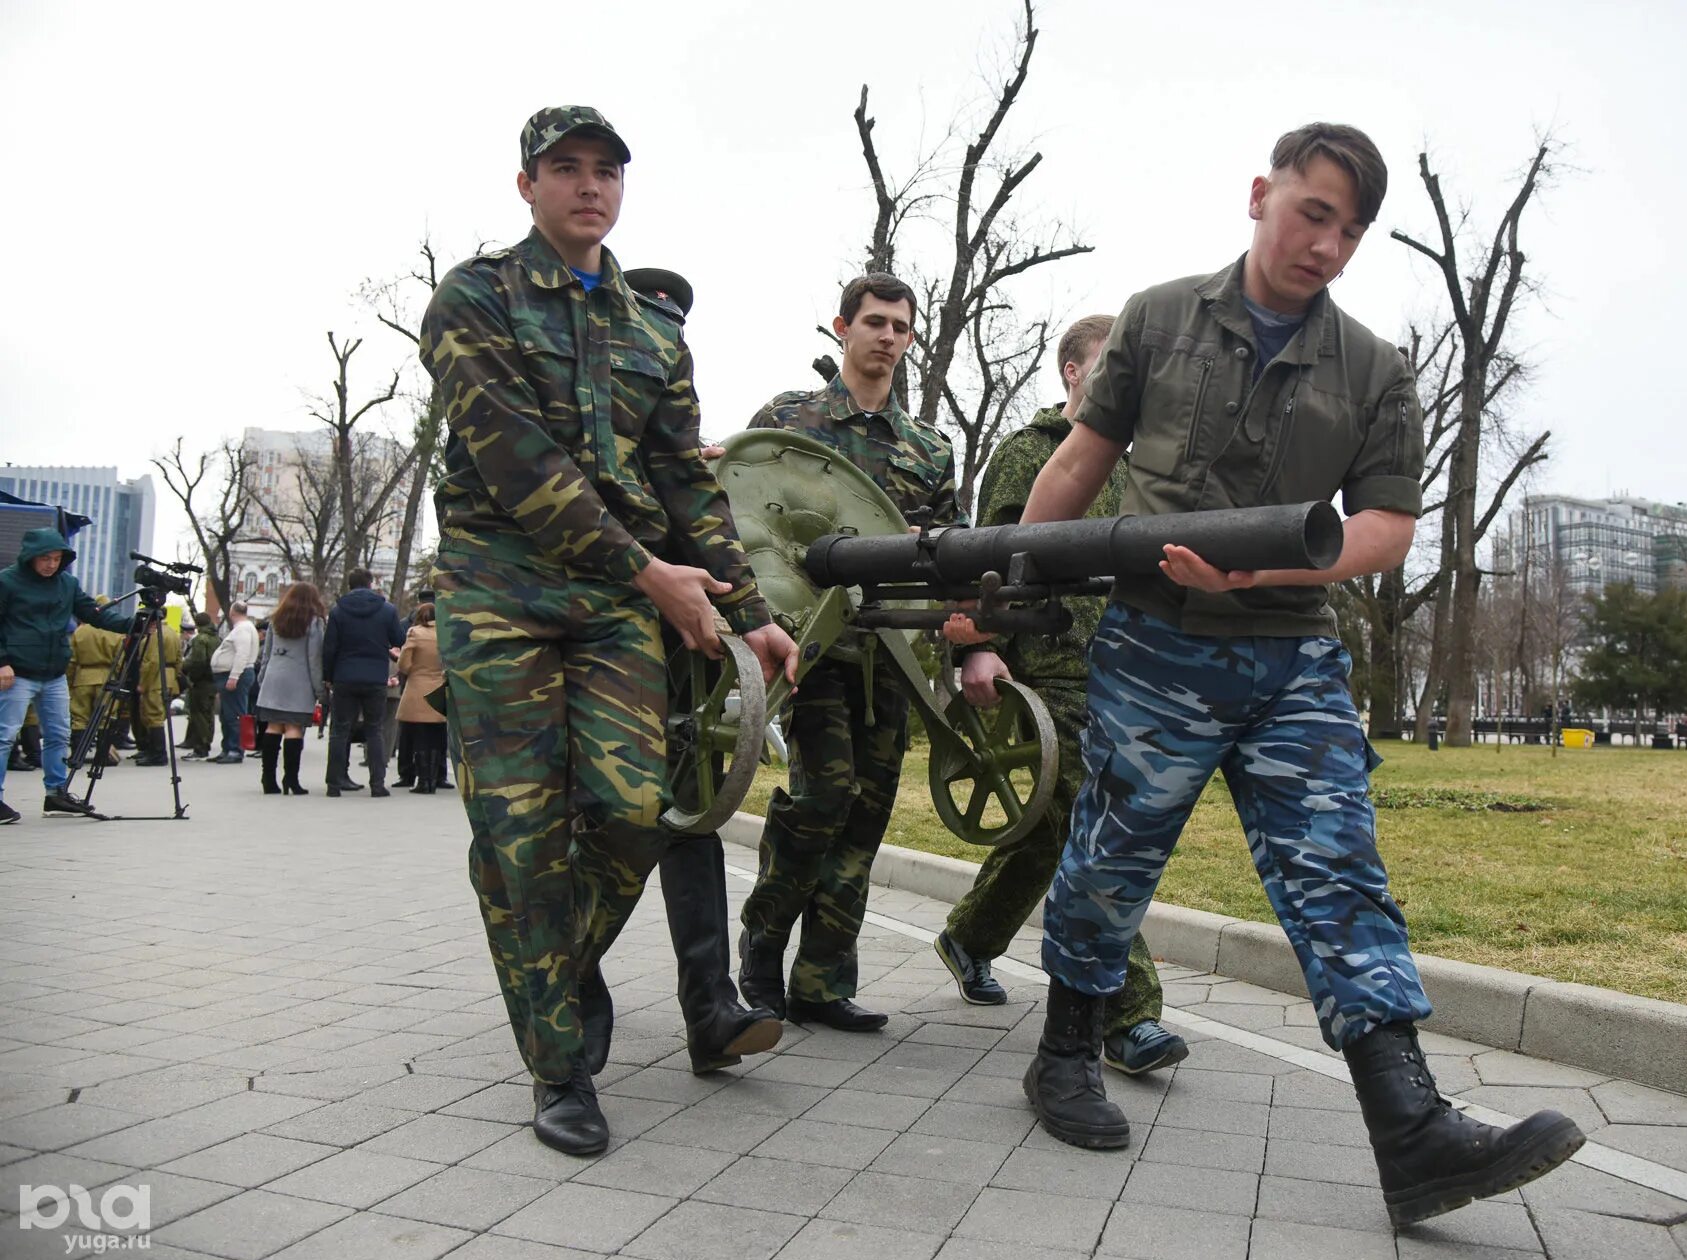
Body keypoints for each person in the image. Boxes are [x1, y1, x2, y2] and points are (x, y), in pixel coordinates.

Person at [1014, 124, 1584, 1225]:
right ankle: (1064, 1051)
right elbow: (1082, 459)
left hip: (1291, 654)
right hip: (1153, 642)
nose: (1326, 243)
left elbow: (1385, 528)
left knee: (1339, 870)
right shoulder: (1157, 317)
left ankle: (1410, 1128)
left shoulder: (1373, 367)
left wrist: (1258, 571)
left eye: (1351, 229)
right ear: (1259, 194)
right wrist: (1004, 580)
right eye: (1311, 212)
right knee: (1111, 856)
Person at [419, 105, 798, 1155]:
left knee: (638, 810)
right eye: (566, 168)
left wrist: (751, 613)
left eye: (606, 172)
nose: (589, 186)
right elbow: (514, 461)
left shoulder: (649, 331)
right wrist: (655, 575)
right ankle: (560, 1066)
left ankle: (546, 970)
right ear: (527, 184)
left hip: (617, 605)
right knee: (521, 836)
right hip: (500, 588)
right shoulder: (474, 298)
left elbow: (685, 477)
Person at [937, 316, 1188, 1075]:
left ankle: (971, 936)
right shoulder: (1031, 453)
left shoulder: (1140, 463)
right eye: (1112, 361)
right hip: (1048, 669)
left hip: (1124, 666)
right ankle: (1128, 1013)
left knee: (1049, 836)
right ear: (1074, 373)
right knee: (1098, 826)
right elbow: (993, 559)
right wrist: (978, 647)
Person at [737, 273, 963, 1033]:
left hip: (888, 648)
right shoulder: (789, 421)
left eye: (901, 326)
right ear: (842, 328)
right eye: (874, 322)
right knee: (819, 798)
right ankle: (760, 958)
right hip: (810, 644)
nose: (889, 337)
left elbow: (950, 551)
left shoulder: (927, 448)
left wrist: (966, 632)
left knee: (866, 812)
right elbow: (743, 511)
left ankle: (823, 979)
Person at [0, 528, 134, 823]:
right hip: (17, 672)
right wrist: (2, 662)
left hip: (54, 673)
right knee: (5, 736)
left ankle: (56, 793)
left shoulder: (68, 584)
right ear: (31, 557)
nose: (51, 564)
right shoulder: (6, 581)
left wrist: (131, 624)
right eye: (45, 558)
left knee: (59, 734)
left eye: (57, 558)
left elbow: (94, 613)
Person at [321, 569, 402, 797]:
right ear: (370, 583)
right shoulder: (387, 610)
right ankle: (377, 784)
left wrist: (328, 676)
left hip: (344, 676)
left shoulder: (338, 611)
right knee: (374, 730)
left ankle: (334, 784)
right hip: (375, 677)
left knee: (339, 730)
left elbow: (329, 647)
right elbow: (398, 639)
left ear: (349, 584)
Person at [254, 582, 326, 795]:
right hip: (299, 680)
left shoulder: (275, 619)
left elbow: (266, 655)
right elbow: (314, 658)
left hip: (273, 679)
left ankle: (268, 779)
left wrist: (262, 679)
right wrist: (319, 689)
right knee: (294, 729)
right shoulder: (314, 623)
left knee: (273, 727)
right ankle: (291, 780)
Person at [394, 603, 446, 794]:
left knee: (420, 735)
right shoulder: (446, 633)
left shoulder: (415, 633)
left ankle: (423, 781)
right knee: (436, 735)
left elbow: (404, 664)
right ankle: (434, 779)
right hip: (440, 686)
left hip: (418, 685)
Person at [66, 609, 123, 768]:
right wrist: (118, 679)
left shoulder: (80, 631)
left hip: (83, 677)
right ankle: (103, 756)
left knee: (80, 718)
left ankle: (78, 755)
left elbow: (72, 660)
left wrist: (70, 681)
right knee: (105, 718)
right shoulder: (115, 631)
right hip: (107, 677)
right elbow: (121, 659)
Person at [132, 610, 182, 767]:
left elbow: (151, 662)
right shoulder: (173, 633)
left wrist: (143, 683)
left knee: (153, 715)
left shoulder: (155, 635)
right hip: (168, 676)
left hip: (156, 678)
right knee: (157, 715)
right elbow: (179, 659)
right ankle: (154, 751)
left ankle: (157, 753)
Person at [210, 601, 258, 764]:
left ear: (232, 613)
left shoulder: (243, 628)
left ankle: (235, 749)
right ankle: (228, 747)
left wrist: (234, 676)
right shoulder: (244, 628)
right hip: (233, 674)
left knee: (235, 715)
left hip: (236, 674)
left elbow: (242, 654)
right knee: (227, 714)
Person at [180, 613, 221, 759]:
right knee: (208, 714)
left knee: (198, 715)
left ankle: (200, 747)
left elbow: (198, 662)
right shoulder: (217, 638)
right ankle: (206, 743)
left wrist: (188, 674)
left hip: (201, 681)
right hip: (214, 680)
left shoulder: (200, 640)